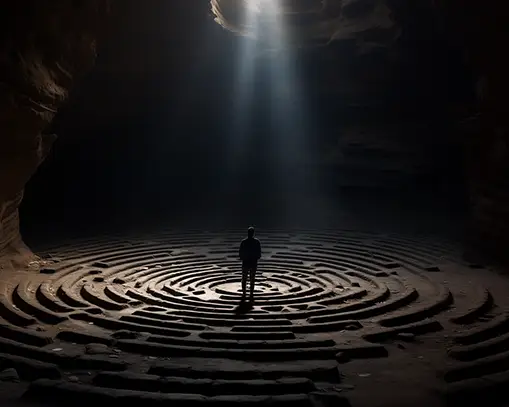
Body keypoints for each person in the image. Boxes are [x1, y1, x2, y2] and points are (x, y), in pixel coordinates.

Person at [238, 226, 261, 302]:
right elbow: (259, 254)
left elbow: (240, 254)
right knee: (252, 279)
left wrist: (245, 258)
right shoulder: (256, 242)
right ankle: (250, 294)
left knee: (244, 279)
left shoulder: (244, 242)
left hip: (245, 264)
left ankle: (244, 293)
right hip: (253, 264)